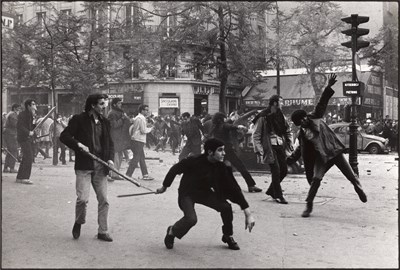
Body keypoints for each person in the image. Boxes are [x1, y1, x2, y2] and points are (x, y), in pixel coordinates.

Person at [287, 73, 367, 218]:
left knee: (350, 175)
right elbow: (301, 149)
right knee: (316, 180)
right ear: (299, 123)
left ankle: (358, 187)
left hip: (334, 151)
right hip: (322, 157)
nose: (305, 120)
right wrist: (291, 159)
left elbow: (322, 103)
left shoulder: (316, 116)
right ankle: (308, 205)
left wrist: (328, 87)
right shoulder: (303, 134)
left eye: (304, 117)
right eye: (302, 120)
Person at [156, 138, 255, 250]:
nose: (224, 153)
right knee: (191, 219)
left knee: (226, 207)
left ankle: (227, 235)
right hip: (187, 193)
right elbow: (174, 169)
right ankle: (172, 231)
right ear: (210, 152)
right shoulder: (193, 161)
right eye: (220, 150)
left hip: (204, 193)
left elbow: (234, 189)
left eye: (224, 150)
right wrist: (164, 187)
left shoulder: (221, 167)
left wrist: (248, 214)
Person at [60, 93, 115, 242]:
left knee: (104, 199)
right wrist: (78, 144)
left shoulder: (105, 122)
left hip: (100, 166)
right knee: (82, 199)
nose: (104, 107)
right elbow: (64, 136)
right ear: (93, 105)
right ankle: (79, 222)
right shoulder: (79, 120)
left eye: (105, 104)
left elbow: (110, 143)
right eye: (102, 104)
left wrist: (110, 159)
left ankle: (103, 231)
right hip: (84, 165)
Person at [252, 95, 294, 204]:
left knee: (283, 170)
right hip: (268, 146)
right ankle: (278, 195)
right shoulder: (262, 116)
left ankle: (271, 190)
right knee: (276, 170)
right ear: (275, 103)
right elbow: (256, 134)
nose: (283, 104)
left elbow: (288, 130)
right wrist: (259, 150)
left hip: (280, 145)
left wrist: (290, 143)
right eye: (281, 102)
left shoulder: (281, 116)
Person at [210, 112, 262, 193]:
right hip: (228, 150)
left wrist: (232, 119)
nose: (225, 119)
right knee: (241, 167)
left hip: (219, 151)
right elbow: (230, 126)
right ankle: (251, 185)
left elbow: (227, 124)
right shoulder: (224, 126)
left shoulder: (215, 127)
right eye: (224, 118)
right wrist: (238, 126)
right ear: (221, 119)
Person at [125, 104, 154, 180]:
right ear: (142, 110)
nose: (147, 111)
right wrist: (150, 129)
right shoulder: (141, 118)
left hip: (136, 139)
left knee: (141, 158)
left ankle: (145, 175)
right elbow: (143, 130)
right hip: (139, 140)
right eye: (146, 110)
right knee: (137, 158)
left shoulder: (138, 118)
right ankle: (128, 174)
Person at [107, 98, 131, 181]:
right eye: (119, 103)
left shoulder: (120, 112)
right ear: (114, 104)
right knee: (116, 156)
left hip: (121, 137)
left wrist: (126, 118)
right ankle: (114, 174)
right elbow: (114, 125)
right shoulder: (112, 113)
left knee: (120, 156)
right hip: (115, 137)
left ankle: (115, 173)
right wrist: (122, 119)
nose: (121, 105)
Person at [3, 103, 22, 173]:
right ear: (15, 108)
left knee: (10, 151)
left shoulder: (9, 114)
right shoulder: (13, 115)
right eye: (19, 108)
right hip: (11, 134)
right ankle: (12, 167)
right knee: (14, 151)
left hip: (8, 134)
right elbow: (15, 124)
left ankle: (6, 167)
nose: (20, 110)